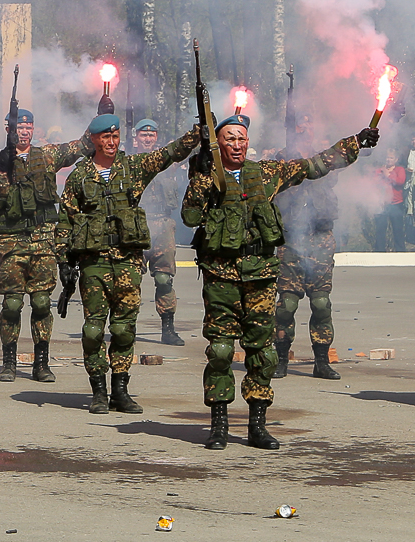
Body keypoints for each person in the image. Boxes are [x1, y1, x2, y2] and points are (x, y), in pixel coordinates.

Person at [183, 114, 376, 450]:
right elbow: (189, 216)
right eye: (229, 138)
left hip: (260, 276)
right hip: (221, 277)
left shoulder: (265, 173)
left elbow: (314, 165)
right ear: (217, 143)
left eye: (241, 138)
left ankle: (257, 424)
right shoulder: (207, 175)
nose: (237, 145)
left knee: (262, 352)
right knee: (221, 351)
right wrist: (201, 174)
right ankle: (219, 424)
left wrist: (356, 143)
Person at [62, 114, 200, 415]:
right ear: (94, 140)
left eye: (115, 137)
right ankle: (98, 391)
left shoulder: (133, 167)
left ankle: (120, 390)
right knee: (93, 330)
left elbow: (169, 154)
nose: (111, 142)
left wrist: (197, 134)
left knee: (124, 329)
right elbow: (65, 221)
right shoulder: (80, 176)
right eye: (105, 137)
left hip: (127, 261)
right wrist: (65, 262)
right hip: (94, 263)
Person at [0, 109, 91, 383]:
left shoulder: (46, 156)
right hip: (12, 241)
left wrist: (101, 115)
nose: (24, 131)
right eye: (19, 127)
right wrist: (5, 168)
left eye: (28, 126)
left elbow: (82, 145)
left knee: (42, 302)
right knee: (12, 303)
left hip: (43, 239)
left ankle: (41, 363)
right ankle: (9, 362)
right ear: (9, 130)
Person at [273, 117, 346, 381]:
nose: (305, 127)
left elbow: (347, 158)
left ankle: (322, 362)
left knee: (321, 303)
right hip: (291, 240)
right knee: (286, 305)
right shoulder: (281, 159)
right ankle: (281, 358)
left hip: (320, 239)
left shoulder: (324, 156)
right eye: (300, 122)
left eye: (309, 122)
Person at [132, 120, 187, 346]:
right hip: (135, 225)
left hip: (162, 224)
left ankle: (168, 328)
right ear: (136, 138)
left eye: (151, 135)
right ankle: (126, 327)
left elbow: (187, 150)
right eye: (143, 135)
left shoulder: (168, 162)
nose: (147, 138)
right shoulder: (128, 161)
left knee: (164, 279)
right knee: (130, 280)